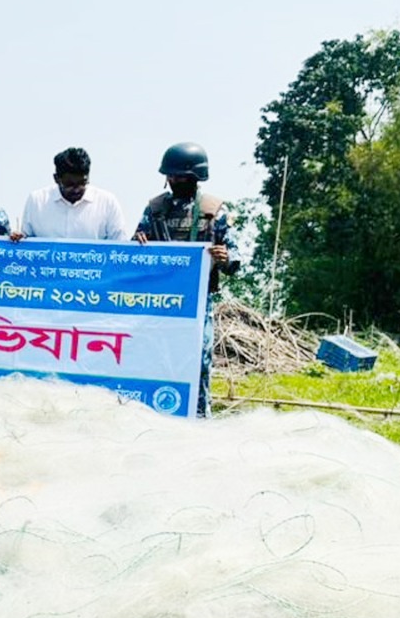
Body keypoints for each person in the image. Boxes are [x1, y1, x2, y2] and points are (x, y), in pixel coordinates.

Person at [135, 141, 242, 417]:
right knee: (153, 357)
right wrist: (138, 242)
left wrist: (224, 257)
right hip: (158, 302)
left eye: (179, 177)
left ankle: (199, 416)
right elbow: (134, 257)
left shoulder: (214, 210)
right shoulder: (155, 209)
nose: (173, 181)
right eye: (170, 176)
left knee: (199, 361)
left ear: (195, 177)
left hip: (198, 303)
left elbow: (235, 260)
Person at [15, 147, 131, 241]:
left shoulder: (107, 203)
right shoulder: (37, 202)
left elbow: (120, 247)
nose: (76, 190)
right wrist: (17, 238)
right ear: (56, 179)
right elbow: (25, 244)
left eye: (82, 183)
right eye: (70, 184)